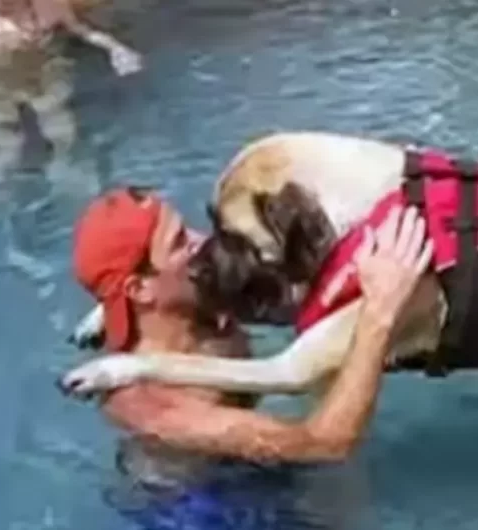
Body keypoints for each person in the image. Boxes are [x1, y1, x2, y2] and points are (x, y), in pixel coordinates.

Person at [70, 186, 432, 528]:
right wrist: (380, 312)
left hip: (257, 462)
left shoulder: (200, 304)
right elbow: (327, 443)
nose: (203, 241)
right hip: (202, 506)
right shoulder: (150, 402)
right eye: (181, 242)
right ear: (140, 289)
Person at [0, 0, 142, 204]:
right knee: (4, 143)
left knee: (59, 127)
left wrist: (117, 49)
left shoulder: (48, 5)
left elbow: (82, 31)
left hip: (42, 73)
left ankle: (66, 170)